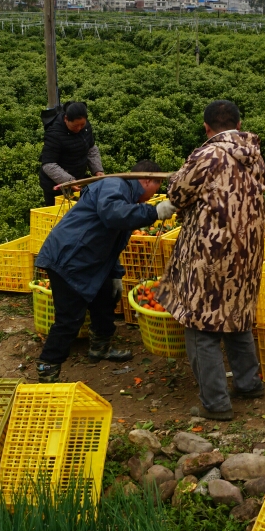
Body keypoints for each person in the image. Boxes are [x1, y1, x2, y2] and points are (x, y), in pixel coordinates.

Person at [155, 100, 265, 421]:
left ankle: (215, 402)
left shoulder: (206, 154)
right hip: (246, 252)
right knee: (236, 314)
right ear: (238, 122)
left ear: (207, 128)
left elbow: (177, 195)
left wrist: (177, 176)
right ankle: (248, 384)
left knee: (201, 322)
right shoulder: (254, 155)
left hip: (210, 252)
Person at [34, 161, 167, 383]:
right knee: (70, 318)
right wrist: (154, 211)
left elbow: (113, 240)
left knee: (106, 297)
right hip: (69, 257)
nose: (158, 191)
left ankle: (100, 347)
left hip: (91, 259)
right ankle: (48, 365)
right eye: (158, 185)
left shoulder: (129, 196)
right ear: (147, 180)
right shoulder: (115, 185)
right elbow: (113, 215)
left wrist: (115, 273)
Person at [39, 101, 103, 206]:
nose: (78, 129)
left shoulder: (85, 127)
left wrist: (97, 170)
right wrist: (69, 181)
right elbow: (48, 164)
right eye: (75, 126)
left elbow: (91, 148)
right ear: (66, 119)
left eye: (82, 125)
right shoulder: (55, 134)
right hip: (57, 185)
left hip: (78, 180)